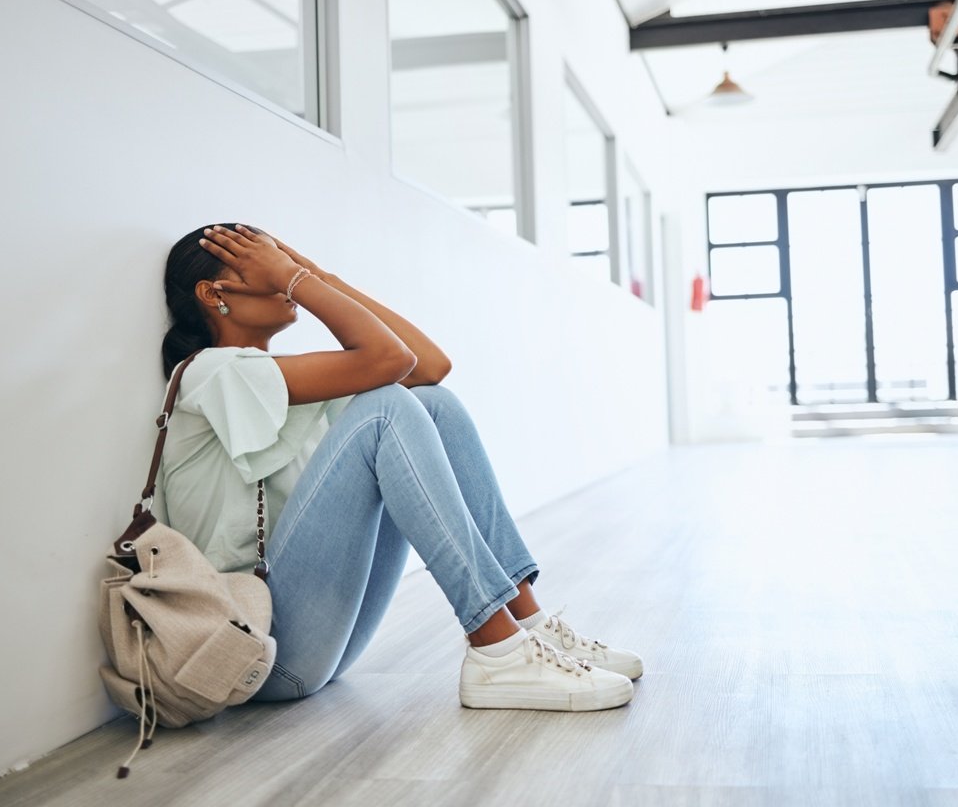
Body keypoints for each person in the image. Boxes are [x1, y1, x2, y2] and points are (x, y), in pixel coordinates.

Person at [154, 223, 643, 712]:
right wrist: (299, 281)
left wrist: (314, 274)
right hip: (255, 649)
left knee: (433, 404)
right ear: (213, 293)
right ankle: (497, 650)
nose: (284, 272)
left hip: (322, 641)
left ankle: (527, 625)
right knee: (386, 409)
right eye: (262, 261)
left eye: (281, 259)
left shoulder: (280, 374)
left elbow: (427, 368)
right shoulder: (210, 373)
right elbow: (392, 359)